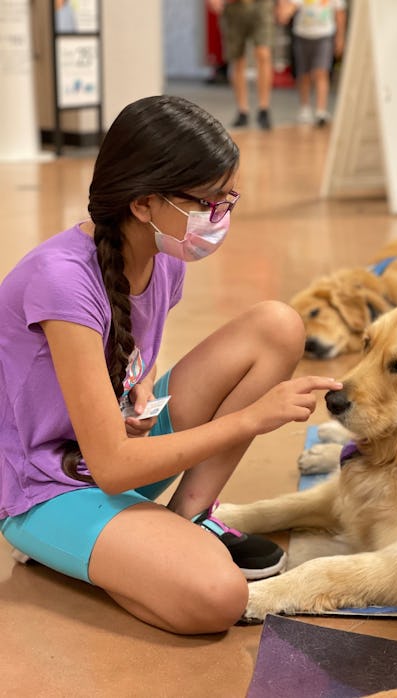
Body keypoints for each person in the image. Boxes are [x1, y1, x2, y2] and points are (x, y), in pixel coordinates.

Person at [0, 94, 341, 635]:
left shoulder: (161, 258)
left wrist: (135, 393)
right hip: (48, 485)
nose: (219, 217)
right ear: (143, 204)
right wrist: (254, 418)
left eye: (228, 200)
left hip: (110, 450)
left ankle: (186, 520)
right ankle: (98, 548)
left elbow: (134, 361)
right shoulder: (61, 280)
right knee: (217, 597)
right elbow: (111, 468)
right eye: (208, 202)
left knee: (278, 325)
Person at [207, 0, 275, 130]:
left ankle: (264, 108)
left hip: (261, 5)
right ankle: (242, 110)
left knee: (263, 53)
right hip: (234, 7)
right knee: (237, 59)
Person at [277, 0, 347, 127]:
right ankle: (305, 107)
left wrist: (340, 37)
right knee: (304, 74)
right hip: (303, 35)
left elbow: (340, 13)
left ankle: (321, 110)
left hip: (324, 35)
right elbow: (290, 8)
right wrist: (284, 12)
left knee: (321, 72)